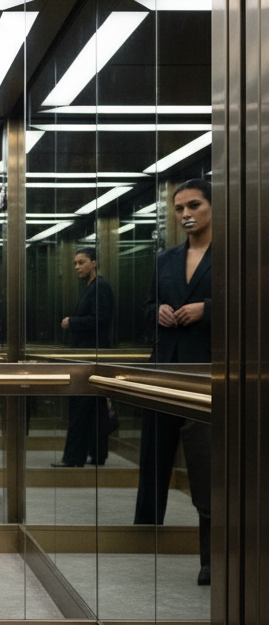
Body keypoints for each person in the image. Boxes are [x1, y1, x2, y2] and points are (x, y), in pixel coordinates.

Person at [133, 179, 212, 586]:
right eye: (179, 208)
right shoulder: (165, 259)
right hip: (165, 370)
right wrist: (159, 310)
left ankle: (211, 559)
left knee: (206, 468)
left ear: (214, 208)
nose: (185, 214)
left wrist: (208, 309)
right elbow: (145, 308)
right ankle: (144, 533)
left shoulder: (236, 256)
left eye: (193, 205)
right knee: (154, 458)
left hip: (207, 377)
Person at [51, 248, 114, 468]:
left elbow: (101, 319)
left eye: (81, 262)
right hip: (86, 355)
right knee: (94, 408)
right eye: (75, 263)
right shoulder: (90, 287)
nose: (77, 267)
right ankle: (98, 453)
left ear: (94, 263)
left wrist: (72, 322)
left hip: (90, 355)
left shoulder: (101, 287)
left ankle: (73, 457)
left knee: (80, 407)